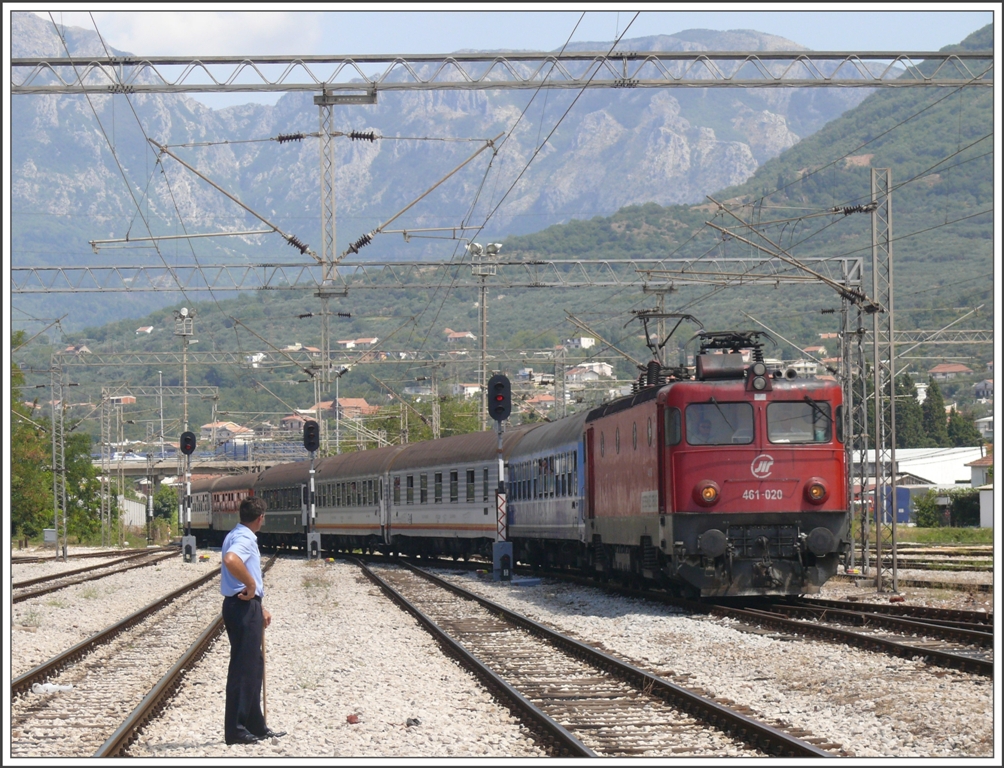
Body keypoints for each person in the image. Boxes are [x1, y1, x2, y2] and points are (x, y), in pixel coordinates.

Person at [220, 496, 285, 745]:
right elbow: (231, 560)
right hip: (241, 607)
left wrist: (260, 605)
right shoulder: (245, 538)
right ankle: (235, 730)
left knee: (253, 665)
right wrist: (251, 585)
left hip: (246, 605)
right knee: (243, 667)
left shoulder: (236, 533)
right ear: (260, 518)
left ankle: (254, 724)